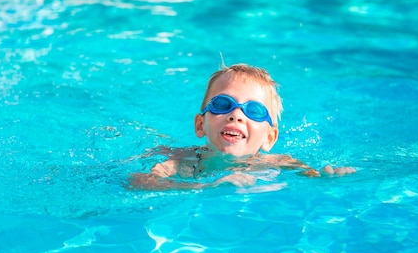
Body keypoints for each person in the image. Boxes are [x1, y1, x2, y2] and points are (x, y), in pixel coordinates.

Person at [127, 63, 355, 190]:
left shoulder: (281, 162)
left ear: (269, 137)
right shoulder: (180, 160)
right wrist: (203, 188)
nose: (235, 114)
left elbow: (312, 178)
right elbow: (139, 182)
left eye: (253, 111)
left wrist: (328, 179)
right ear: (200, 125)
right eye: (222, 104)